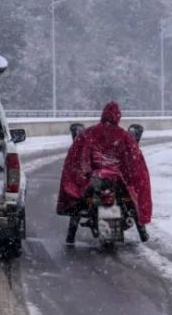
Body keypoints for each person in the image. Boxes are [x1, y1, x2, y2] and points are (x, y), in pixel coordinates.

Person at [55, 101, 153, 244]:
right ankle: (142, 232)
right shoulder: (124, 136)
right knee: (133, 205)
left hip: (95, 181)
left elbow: (77, 158)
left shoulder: (89, 134)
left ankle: (71, 235)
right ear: (118, 116)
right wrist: (134, 182)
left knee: (77, 206)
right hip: (118, 183)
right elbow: (134, 164)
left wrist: (81, 177)